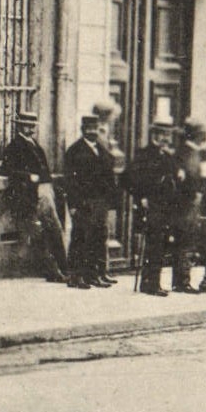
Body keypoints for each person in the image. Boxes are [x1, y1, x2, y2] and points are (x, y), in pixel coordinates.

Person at [0, 111, 68, 283]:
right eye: (26, 125)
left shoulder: (36, 145)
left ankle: (66, 268)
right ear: (19, 126)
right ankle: (52, 272)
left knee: (55, 229)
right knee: (39, 234)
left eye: (32, 126)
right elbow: (7, 170)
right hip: (27, 196)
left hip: (44, 193)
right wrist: (28, 176)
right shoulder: (14, 146)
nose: (30, 128)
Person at [124, 108, 178, 295]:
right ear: (155, 134)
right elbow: (128, 178)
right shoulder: (144, 154)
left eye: (168, 135)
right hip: (151, 206)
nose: (166, 138)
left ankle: (153, 282)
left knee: (161, 246)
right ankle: (149, 284)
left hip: (166, 207)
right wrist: (141, 197)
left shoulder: (168, 156)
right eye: (163, 134)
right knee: (153, 245)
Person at [64, 113, 119, 290]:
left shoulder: (103, 150)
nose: (93, 132)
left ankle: (97, 274)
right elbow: (69, 182)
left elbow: (110, 178)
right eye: (89, 129)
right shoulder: (74, 151)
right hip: (83, 203)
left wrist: (111, 203)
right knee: (81, 238)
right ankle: (76, 275)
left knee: (99, 237)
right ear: (82, 130)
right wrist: (72, 205)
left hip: (100, 202)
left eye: (96, 129)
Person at [172, 121, 206, 293]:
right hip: (186, 204)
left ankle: (182, 279)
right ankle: (181, 281)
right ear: (196, 135)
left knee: (187, 241)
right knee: (186, 241)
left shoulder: (191, 150)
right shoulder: (185, 152)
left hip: (190, 203)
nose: (204, 137)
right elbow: (185, 178)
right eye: (202, 133)